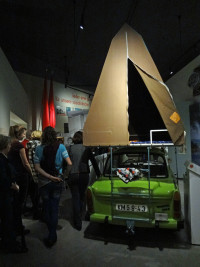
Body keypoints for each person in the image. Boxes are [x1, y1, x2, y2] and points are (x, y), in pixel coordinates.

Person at [34, 126, 72, 248]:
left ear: (43, 136)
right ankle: (52, 234)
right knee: (55, 208)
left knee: (47, 207)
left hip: (44, 182)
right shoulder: (61, 147)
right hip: (57, 181)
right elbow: (70, 164)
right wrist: (63, 177)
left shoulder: (39, 148)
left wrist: (49, 177)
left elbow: (37, 167)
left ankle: (50, 233)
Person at [67, 131, 101, 231]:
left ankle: (77, 222)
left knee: (75, 198)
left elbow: (66, 163)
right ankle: (81, 216)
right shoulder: (87, 148)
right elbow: (94, 162)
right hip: (83, 175)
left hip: (72, 175)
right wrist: (99, 174)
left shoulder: (69, 148)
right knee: (82, 196)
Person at [0, 134, 25, 253]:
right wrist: (13, 186)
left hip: (6, 194)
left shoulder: (4, 158)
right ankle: (9, 244)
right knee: (7, 219)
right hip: (5, 195)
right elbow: (3, 178)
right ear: (5, 145)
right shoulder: (1, 159)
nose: (10, 146)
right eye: (9, 144)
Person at [8, 125, 32, 238]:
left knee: (14, 203)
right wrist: (31, 173)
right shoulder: (18, 145)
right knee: (20, 203)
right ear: (19, 133)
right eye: (24, 133)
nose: (25, 134)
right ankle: (18, 228)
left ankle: (14, 227)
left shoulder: (9, 144)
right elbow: (25, 163)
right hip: (21, 176)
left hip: (12, 176)